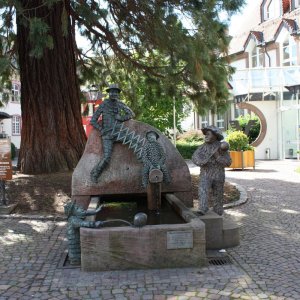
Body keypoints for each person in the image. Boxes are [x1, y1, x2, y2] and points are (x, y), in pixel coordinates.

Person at [90, 84, 135, 183]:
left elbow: (131, 114)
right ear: (109, 93)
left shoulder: (120, 104)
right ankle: (95, 174)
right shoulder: (103, 104)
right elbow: (93, 121)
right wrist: (101, 130)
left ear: (118, 94)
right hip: (107, 136)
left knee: (134, 141)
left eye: (115, 92)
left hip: (119, 134)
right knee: (106, 158)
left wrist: (121, 118)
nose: (113, 93)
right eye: (111, 91)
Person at [192, 125, 231, 216]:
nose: (206, 136)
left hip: (218, 174)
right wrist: (200, 162)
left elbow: (228, 162)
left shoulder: (221, 148)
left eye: (208, 134)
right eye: (205, 134)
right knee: (203, 190)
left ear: (215, 136)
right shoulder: (202, 147)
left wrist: (217, 157)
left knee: (218, 193)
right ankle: (203, 208)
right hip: (206, 174)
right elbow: (194, 157)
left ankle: (218, 211)